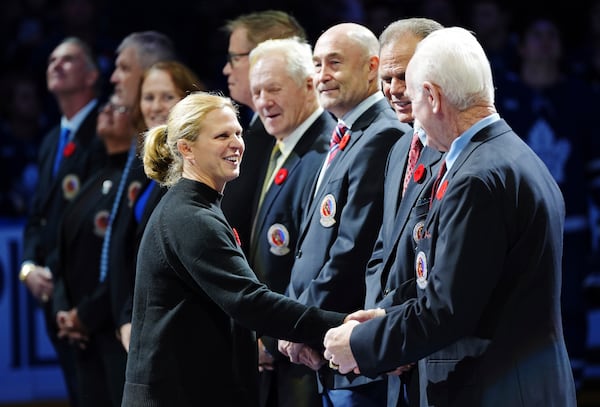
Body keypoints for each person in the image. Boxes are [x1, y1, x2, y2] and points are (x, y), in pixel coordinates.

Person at [323, 26, 577, 406]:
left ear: (433, 96)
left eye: (410, 91)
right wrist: (383, 317)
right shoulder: (507, 155)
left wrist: (361, 344)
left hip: (497, 388)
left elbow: (446, 308)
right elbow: (444, 281)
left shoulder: (476, 178)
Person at [121, 92, 346, 407]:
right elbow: (251, 302)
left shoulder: (196, 208)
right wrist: (344, 326)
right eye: (221, 135)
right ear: (187, 149)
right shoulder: (191, 217)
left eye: (238, 133)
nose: (237, 143)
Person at [280, 23, 411, 406]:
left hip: (354, 355)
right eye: (317, 64)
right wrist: (291, 320)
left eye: (334, 63)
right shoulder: (348, 134)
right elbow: (310, 250)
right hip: (328, 349)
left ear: (372, 68)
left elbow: (351, 252)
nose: (321, 75)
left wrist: (296, 323)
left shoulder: (382, 134)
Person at [494, 15, 600, 387]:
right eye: (536, 34)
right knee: (519, 307)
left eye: (552, 33)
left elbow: (594, 168)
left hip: (573, 226)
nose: (545, 42)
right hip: (518, 228)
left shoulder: (582, 98)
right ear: (520, 46)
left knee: (570, 303)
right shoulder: (499, 101)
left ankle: (574, 382)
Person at [248, 37, 336, 407]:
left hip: (301, 354)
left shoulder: (324, 151)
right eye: (257, 91)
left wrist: (271, 338)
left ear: (308, 85)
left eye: (273, 88)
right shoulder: (280, 147)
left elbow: (317, 260)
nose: (263, 102)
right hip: (277, 352)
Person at [19, 36, 106, 407]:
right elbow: (38, 213)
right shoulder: (51, 139)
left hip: (88, 296)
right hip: (51, 291)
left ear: (91, 75)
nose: (55, 65)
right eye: (52, 59)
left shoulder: (105, 133)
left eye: (68, 59)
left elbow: (96, 225)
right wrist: (27, 268)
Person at [365, 18, 444, 406]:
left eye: (404, 77)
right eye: (386, 77)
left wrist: (391, 330)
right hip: (398, 359)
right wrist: (376, 322)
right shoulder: (399, 147)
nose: (393, 90)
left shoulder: (454, 151)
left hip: (434, 354)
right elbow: (383, 253)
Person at [52, 95, 136, 406]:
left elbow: (123, 260)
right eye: (106, 106)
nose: (106, 111)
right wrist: (64, 309)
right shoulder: (94, 176)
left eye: (119, 107)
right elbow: (62, 252)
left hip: (111, 328)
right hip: (82, 333)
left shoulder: (133, 183)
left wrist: (87, 314)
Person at [116, 60, 204, 352]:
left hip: (171, 317)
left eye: (167, 96)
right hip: (137, 313)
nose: (156, 106)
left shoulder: (194, 162)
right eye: (148, 97)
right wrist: (125, 316)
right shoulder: (142, 163)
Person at [99, 30, 177, 352]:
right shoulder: (142, 154)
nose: (114, 78)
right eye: (149, 97)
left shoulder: (186, 162)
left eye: (124, 68)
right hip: (127, 322)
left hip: (158, 325)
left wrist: (131, 316)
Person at [221, 10, 307, 252]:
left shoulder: (289, 136)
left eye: (234, 58)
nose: (227, 69)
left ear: (264, 56)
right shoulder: (256, 132)